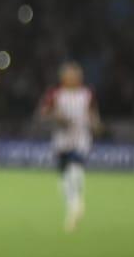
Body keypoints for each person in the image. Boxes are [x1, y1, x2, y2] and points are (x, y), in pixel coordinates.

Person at [37, 61, 102, 232]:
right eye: (69, 75)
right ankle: (73, 204)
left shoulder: (87, 94)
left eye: (75, 75)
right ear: (63, 77)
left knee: (76, 166)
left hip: (81, 138)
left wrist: (96, 125)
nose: (72, 78)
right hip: (61, 139)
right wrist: (56, 117)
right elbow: (43, 113)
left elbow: (93, 114)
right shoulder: (55, 94)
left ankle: (77, 202)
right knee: (64, 176)